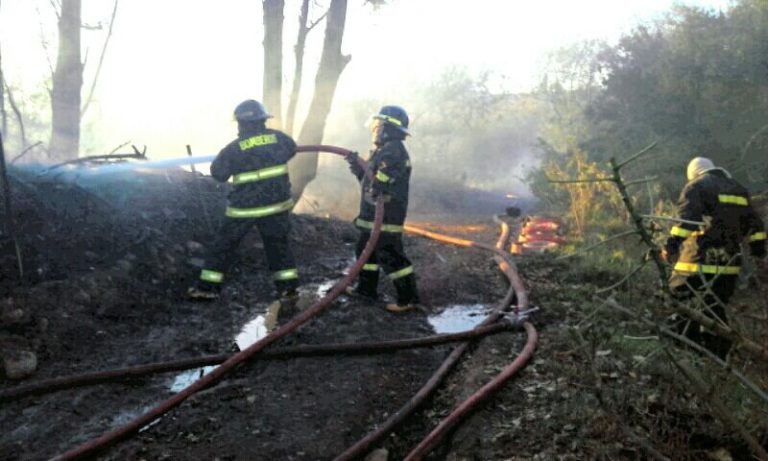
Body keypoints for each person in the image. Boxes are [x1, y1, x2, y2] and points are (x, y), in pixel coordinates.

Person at [187, 99, 300, 301]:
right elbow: (292, 149)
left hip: (244, 209)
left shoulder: (233, 149)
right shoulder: (279, 139)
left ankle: (208, 288)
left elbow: (218, 174)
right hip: (277, 206)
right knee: (279, 247)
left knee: (223, 246)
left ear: (240, 123)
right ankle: (288, 290)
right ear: (263, 120)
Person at [663, 156, 766, 358]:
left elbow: (687, 221)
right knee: (714, 307)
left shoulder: (696, 186)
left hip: (697, 261)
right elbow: (756, 227)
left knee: (679, 298)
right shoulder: (739, 189)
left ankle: (684, 350)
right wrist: (759, 253)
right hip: (729, 265)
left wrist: (671, 245)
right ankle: (717, 355)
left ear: (693, 174)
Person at [344, 105, 421, 313]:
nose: (374, 129)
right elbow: (369, 182)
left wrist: (380, 181)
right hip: (372, 215)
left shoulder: (393, 150)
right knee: (364, 252)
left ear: (386, 127)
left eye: (377, 125)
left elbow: (384, 178)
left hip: (387, 216)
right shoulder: (383, 150)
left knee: (391, 255)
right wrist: (358, 167)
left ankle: (409, 299)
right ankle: (366, 290)